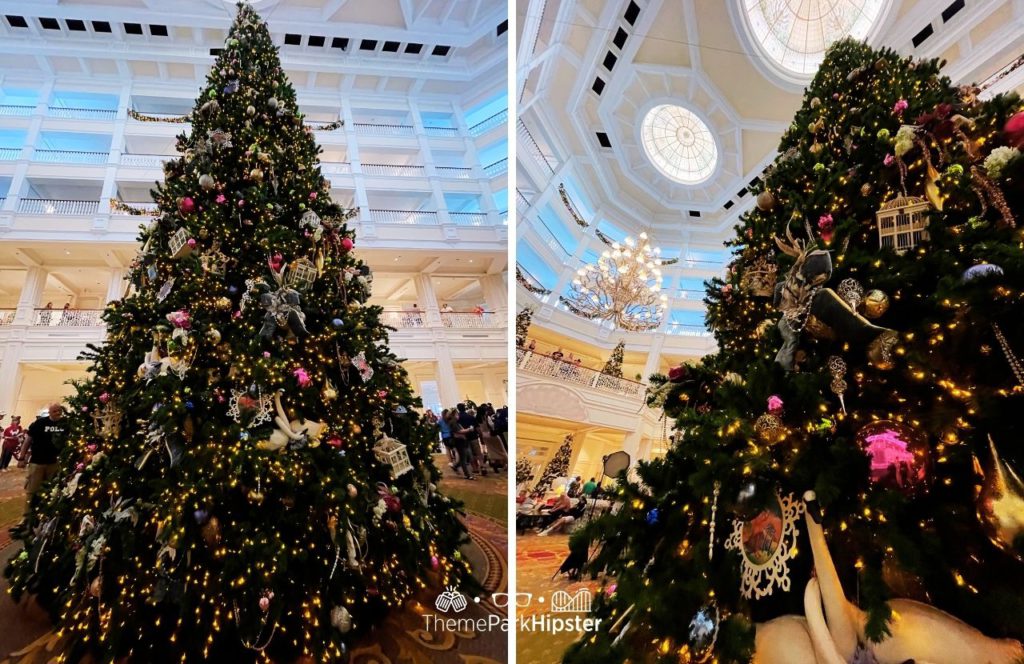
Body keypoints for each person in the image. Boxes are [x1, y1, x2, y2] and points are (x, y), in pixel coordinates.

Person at [23, 403, 68, 520]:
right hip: (37, 463)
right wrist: (22, 457)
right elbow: (28, 440)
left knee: (52, 491)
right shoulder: (39, 423)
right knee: (32, 491)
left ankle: (46, 516)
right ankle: (27, 517)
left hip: (54, 463)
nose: (58, 413)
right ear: (49, 412)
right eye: (55, 411)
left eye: (59, 411)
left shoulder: (65, 424)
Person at [449, 407, 475, 480]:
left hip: (461, 441)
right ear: (454, 415)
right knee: (464, 458)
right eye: (457, 414)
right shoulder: (453, 422)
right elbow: (458, 432)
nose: (458, 416)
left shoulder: (455, 422)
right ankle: (467, 474)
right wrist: (469, 429)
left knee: (464, 457)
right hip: (459, 441)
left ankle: (456, 466)